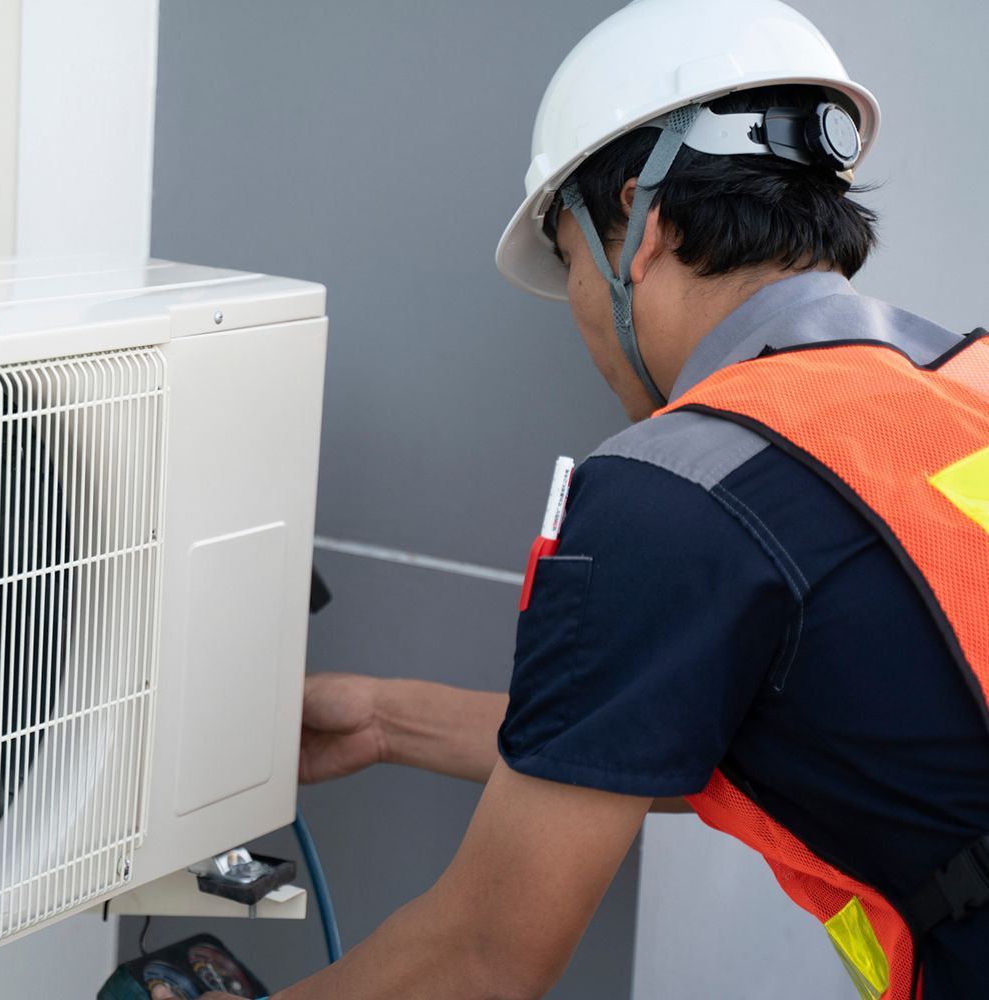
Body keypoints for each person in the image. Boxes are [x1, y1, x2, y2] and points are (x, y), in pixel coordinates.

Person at [193, 1, 989, 998]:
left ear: (641, 231)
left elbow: (479, 959)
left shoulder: (678, 487)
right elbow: (813, 729)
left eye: (569, 261)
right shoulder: (962, 385)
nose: (577, 306)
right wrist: (386, 721)